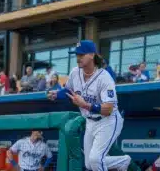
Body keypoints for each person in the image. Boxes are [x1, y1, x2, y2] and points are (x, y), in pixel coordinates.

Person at [47, 40, 131, 171]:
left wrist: (85, 105)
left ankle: (121, 161)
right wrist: (57, 94)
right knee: (89, 164)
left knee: (96, 160)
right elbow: (69, 91)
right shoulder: (75, 72)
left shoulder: (104, 77)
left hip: (108, 121)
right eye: (77, 55)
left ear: (92, 55)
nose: (78, 58)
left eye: (81, 55)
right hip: (90, 122)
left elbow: (108, 109)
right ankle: (122, 161)